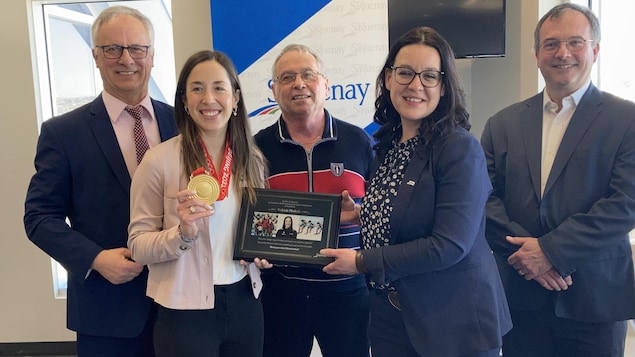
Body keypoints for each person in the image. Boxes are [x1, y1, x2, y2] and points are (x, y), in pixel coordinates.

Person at [321, 26, 512, 357]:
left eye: (429, 76)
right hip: (389, 316)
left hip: (451, 321)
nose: (415, 85)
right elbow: (407, 210)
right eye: (405, 73)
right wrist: (364, 214)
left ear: (444, 86)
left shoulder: (458, 148)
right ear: (388, 78)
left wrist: (362, 261)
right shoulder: (387, 145)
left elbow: (449, 244)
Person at [480, 3, 635, 357]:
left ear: (595, 50)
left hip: (595, 302)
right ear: (536, 54)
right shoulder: (501, 124)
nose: (562, 53)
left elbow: (626, 203)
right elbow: (483, 199)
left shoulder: (628, 120)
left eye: (575, 42)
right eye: (550, 44)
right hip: (520, 298)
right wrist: (527, 257)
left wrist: (550, 251)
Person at [23, 6, 177, 356]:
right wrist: (95, 258)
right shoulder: (62, 133)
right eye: (112, 49)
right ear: (96, 56)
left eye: (137, 48)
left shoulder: (183, 123)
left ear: (152, 55)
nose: (127, 59)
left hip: (182, 306)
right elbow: (39, 218)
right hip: (107, 311)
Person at [127, 50, 270, 357]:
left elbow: (259, 231)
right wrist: (182, 234)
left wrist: (262, 251)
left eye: (219, 87)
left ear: (235, 98)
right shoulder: (159, 161)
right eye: (197, 88)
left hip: (246, 302)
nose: (209, 98)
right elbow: (137, 246)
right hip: (184, 312)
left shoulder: (253, 161)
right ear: (184, 100)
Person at [254, 44, 373, 357]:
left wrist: (360, 215)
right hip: (281, 292)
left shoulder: (358, 141)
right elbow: (250, 220)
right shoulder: (257, 148)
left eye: (308, 74)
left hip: (348, 291)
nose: (298, 83)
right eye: (287, 77)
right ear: (274, 90)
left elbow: (382, 212)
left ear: (326, 84)